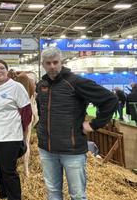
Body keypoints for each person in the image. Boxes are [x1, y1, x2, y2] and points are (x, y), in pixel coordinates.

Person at [36, 47, 118, 200]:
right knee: (53, 192)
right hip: (47, 150)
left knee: (78, 195)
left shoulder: (76, 82)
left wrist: (93, 125)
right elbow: (41, 111)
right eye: (48, 63)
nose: (52, 66)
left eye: (55, 62)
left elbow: (110, 100)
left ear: (61, 62)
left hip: (72, 150)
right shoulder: (42, 85)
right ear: (43, 65)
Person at [0, 60, 32, 200]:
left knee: (9, 170)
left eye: (2, 68)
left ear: (7, 70)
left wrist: (22, 132)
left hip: (10, 136)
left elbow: (27, 112)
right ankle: (3, 193)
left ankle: (14, 197)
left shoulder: (16, 87)